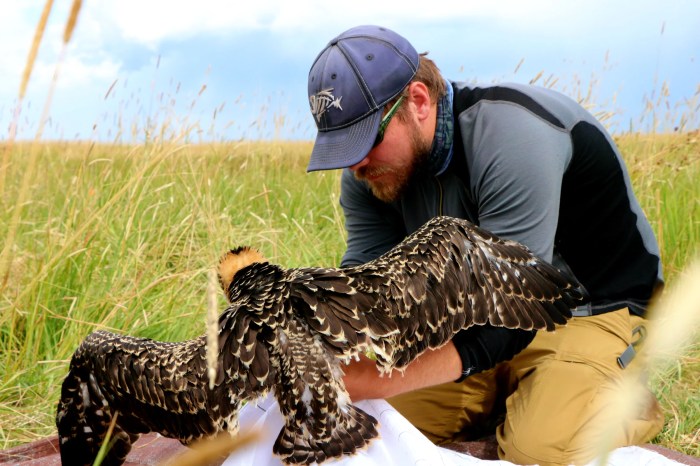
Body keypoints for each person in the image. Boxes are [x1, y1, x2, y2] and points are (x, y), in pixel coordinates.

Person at [305, 25, 665, 466]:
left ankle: (616, 395)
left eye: (365, 139)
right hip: (469, 317)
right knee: (358, 424)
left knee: (538, 451)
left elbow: (513, 317)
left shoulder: (513, 136)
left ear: (418, 101)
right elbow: (369, 288)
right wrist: (317, 339)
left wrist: (380, 379)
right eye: (341, 147)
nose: (356, 163)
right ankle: (511, 397)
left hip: (590, 311)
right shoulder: (367, 173)